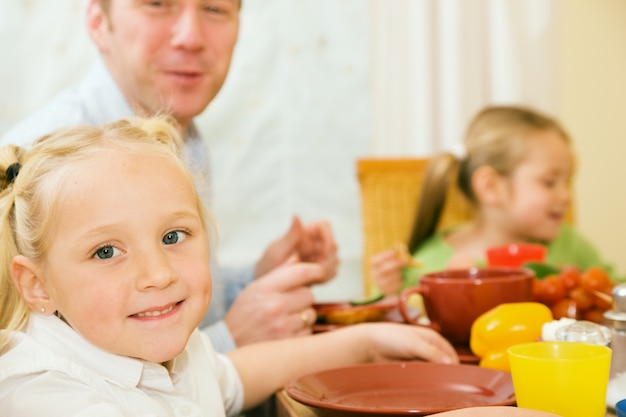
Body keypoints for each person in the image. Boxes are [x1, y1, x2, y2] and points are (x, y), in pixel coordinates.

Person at [0, 116, 459, 416]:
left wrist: (363, 341)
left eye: (173, 236)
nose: (158, 274)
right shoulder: (44, 395)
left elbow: (234, 374)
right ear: (37, 286)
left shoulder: (158, 346)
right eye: (106, 252)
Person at [1, 0, 339, 353]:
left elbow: (156, 289)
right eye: (158, 4)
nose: (191, 37)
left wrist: (256, 275)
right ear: (99, 22)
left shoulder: (182, 138)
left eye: (214, 10)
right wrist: (231, 339)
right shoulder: (44, 166)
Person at [371, 104, 616, 296]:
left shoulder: (571, 246)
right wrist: (388, 292)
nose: (567, 196)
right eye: (550, 182)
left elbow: (617, 293)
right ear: (490, 187)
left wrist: (589, 288)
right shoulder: (427, 265)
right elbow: (390, 324)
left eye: (568, 181)